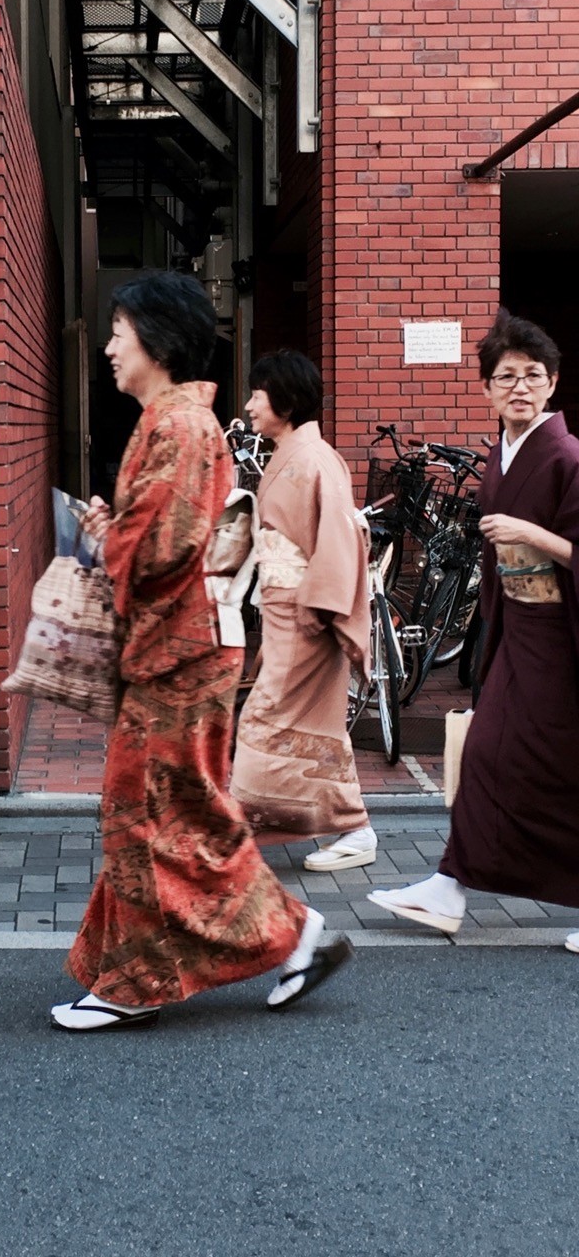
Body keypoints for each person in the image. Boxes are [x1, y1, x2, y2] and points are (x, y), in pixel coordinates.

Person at [50, 274, 352, 1032]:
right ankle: (221, 953)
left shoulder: (179, 427)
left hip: (177, 653)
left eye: (119, 331)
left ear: (157, 340)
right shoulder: (179, 421)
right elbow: (164, 535)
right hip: (185, 647)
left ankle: (153, 976)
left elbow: (159, 546)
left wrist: (103, 537)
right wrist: (114, 526)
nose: (110, 346)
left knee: (150, 812)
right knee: (175, 809)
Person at [368, 309, 579, 942]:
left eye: (532, 375)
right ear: (486, 388)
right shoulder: (502, 457)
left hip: (561, 636)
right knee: (491, 756)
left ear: (553, 384)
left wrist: (531, 534)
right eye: (505, 376)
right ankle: (448, 886)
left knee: (547, 763)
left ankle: (450, 887)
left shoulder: (566, 455)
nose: (519, 386)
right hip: (517, 631)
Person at [230, 352, 376, 872]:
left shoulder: (313, 459)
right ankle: (353, 827)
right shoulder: (291, 454)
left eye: (257, 393)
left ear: (285, 400)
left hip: (307, 614)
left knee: (264, 720)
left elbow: (340, 539)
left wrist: (320, 608)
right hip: (288, 611)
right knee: (313, 729)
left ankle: (238, 827)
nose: (248, 404)